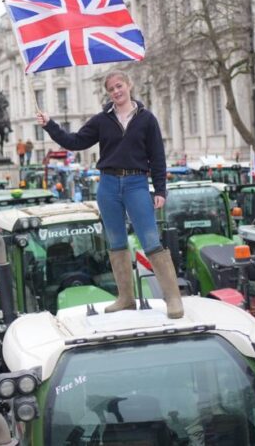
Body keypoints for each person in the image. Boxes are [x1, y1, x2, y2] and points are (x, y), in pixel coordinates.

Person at [36, 69, 183, 318]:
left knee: (150, 240)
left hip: (137, 183)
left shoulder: (147, 119)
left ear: (129, 84)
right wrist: (50, 125)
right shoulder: (102, 120)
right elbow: (75, 141)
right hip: (108, 185)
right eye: (111, 89)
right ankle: (125, 298)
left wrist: (160, 189)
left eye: (119, 86)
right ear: (108, 93)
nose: (116, 91)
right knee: (116, 242)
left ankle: (173, 299)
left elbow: (157, 156)